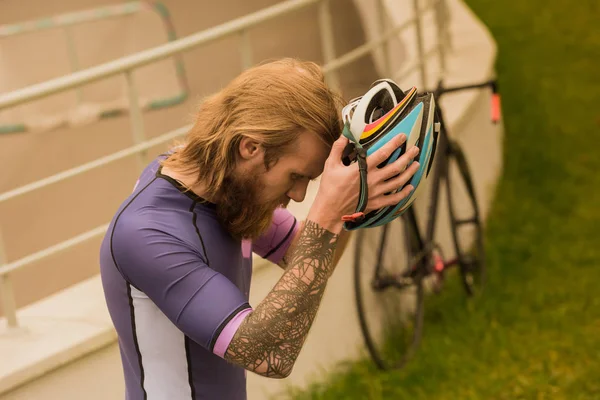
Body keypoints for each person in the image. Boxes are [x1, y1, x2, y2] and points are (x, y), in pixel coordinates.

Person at [99, 58, 420, 399]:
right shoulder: (147, 233)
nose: (298, 196)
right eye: (296, 177)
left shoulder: (228, 187)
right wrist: (327, 216)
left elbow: (308, 259)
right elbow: (269, 354)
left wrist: (351, 206)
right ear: (250, 147)